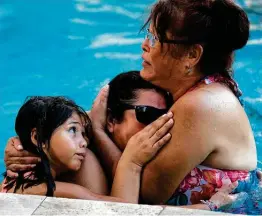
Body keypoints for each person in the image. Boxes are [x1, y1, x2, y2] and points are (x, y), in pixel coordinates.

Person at [3, 72, 239, 211]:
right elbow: (125, 212)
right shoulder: (72, 168)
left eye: (167, 117)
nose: (159, 125)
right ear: (112, 119)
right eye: (147, 114)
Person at [135, 0, 257, 206]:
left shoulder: (200, 106)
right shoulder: (211, 86)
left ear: (192, 55)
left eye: (156, 38)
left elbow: (146, 195)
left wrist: (102, 134)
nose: (145, 44)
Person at [1, 96, 173, 204]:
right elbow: (124, 210)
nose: (83, 142)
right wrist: (132, 161)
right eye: (73, 130)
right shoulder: (51, 190)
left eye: (83, 134)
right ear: (38, 138)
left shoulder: (22, 179)